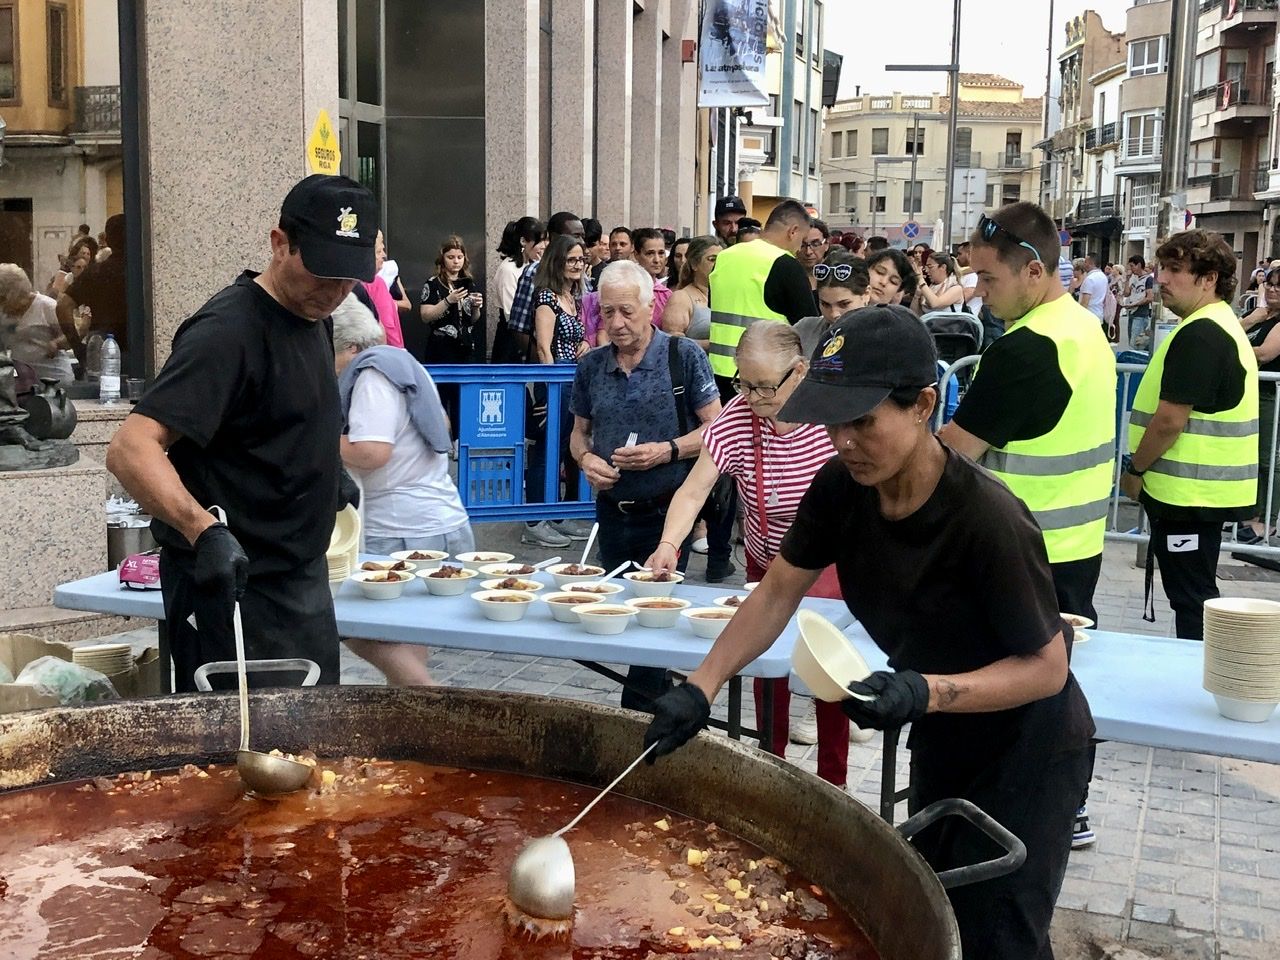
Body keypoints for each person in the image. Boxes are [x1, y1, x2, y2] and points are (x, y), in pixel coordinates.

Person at [643, 304, 1094, 960]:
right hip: (945, 733)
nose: (843, 442)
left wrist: (924, 692)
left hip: (1032, 743)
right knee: (935, 919)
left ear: (923, 405)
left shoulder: (988, 517)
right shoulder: (841, 488)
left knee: (1001, 938)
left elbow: (1047, 668)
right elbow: (776, 593)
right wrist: (700, 687)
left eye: (862, 421)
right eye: (833, 422)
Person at [104, 174, 376, 691]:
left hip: (301, 580)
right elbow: (130, 448)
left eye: (350, 278)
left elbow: (277, 415)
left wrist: (322, 470)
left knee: (315, 737)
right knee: (242, 743)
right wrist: (202, 531)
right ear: (279, 243)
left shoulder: (316, 317)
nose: (336, 291)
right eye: (323, 272)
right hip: (233, 589)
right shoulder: (227, 332)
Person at [938, 203, 1116, 850]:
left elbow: (952, 453)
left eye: (989, 279)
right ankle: (1068, 808)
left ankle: (1025, 818)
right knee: (1058, 686)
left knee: (1020, 694)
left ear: (1034, 271)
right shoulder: (1082, 328)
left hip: (1023, 552)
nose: (980, 294)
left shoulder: (1028, 347)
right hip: (1076, 544)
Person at [642, 321, 854, 784]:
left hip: (826, 562)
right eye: (744, 383)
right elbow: (694, 489)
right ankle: (769, 768)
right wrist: (668, 544)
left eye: (764, 387)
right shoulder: (738, 417)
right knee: (764, 663)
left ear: (800, 371)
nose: (753, 398)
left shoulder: (830, 415)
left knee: (826, 674)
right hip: (765, 560)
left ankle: (833, 779)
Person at [569, 259, 721, 710]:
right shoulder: (592, 366)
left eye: (626, 311)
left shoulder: (682, 355)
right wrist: (586, 460)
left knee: (651, 626)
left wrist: (667, 450)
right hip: (613, 513)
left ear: (650, 307)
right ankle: (661, 710)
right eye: (607, 312)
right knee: (620, 619)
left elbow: (716, 430)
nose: (616, 323)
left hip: (667, 512)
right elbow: (578, 434)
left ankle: (643, 720)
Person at [1122, 229, 1259, 642]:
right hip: (1198, 495)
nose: (1161, 278)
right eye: (1161, 268)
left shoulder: (1201, 333)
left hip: (1189, 497)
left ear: (1209, 278)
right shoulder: (1214, 325)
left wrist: (1135, 469)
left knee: (1192, 600)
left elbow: (1169, 420)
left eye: (1175, 269)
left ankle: (1202, 673)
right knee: (1192, 596)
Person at [333, 294, 474, 685]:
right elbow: (442, 425)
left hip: (401, 529)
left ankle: (432, 703)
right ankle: (414, 709)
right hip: (439, 519)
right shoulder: (405, 363)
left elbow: (372, 452)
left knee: (350, 622)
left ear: (351, 347)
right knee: (407, 634)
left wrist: (315, 437)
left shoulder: (371, 375)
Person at [706, 198, 814, 395]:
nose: (800, 248)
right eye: (802, 240)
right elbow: (809, 325)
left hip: (717, 373)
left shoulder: (724, 257)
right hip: (763, 379)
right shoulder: (786, 264)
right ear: (793, 231)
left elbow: (713, 306)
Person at [507, 211, 586, 357]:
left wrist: (585, 343)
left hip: (576, 367)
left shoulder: (577, 283)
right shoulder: (536, 277)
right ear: (554, 238)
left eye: (581, 260)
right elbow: (520, 328)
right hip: (551, 366)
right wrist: (543, 365)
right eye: (575, 236)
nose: (581, 241)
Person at [1239, 265, 1280, 544]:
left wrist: (1236, 348)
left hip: (1270, 396)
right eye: (1271, 284)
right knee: (1252, 457)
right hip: (1251, 394)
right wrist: (1250, 320)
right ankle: (1251, 514)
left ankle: (1267, 520)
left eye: (1279, 286)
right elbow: (1226, 333)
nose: (1273, 289)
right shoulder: (1261, 316)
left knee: (1268, 459)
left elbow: (1265, 354)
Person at [57, 213, 127, 363]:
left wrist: (77, 346)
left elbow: (63, 306)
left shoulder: (96, 272)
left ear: (107, 240)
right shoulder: (144, 273)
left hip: (101, 349)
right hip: (139, 350)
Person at [0, 263, 73, 384]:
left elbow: (71, 337)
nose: (2, 305)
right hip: (22, 382)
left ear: (13, 294)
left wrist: (56, 343)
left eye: (3, 299)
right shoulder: (4, 311)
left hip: (54, 379)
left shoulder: (47, 306)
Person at [794, 255, 870, 359]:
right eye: (825, 304)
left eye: (844, 304)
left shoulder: (885, 336)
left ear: (866, 294)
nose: (834, 314)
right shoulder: (804, 330)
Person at [660, 235, 720, 343]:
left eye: (722, 260)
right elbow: (673, 343)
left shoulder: (728, 296)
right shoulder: (681, 298)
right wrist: (713, 344)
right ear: (694, 264)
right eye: (712, 259)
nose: (718, 264)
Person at [363, 230, 405, 349]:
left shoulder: (347, 283)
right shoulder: (375, 283)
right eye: (379, 251)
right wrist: (398, 353)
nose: (384, 255)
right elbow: (388, 327)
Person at [913, 251, 965, 315]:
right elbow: (915, 314)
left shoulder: (956, 288)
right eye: (926, 267)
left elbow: (935, 304)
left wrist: (920, 279)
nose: (926, 270)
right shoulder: (930, 287)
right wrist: (917, 296)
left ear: (943, 267)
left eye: (930, 267)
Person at [797, 219, 831, 312]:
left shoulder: (837, 276)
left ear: (826, 244)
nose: (808, 252)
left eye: (815, 244)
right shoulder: (787, 276)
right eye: (802, 245)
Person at [1124, 255, 1155, 349]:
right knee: (1131, 341)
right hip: (1132, 312)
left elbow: (1149, 297)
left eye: (1132, 266)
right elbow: (1126, 293)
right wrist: (1127, 279)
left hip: (1141, 314)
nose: (1131, 269)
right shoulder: (1134, 278)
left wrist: (1135, 304)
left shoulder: (1148, 279)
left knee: (1136, 343)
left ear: (1139, 265)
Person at [1078, 253, 1108, 328]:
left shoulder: (1090, 279)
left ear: (1091, 263)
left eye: (1085, 262)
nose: (1084, 264)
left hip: (1088, 317)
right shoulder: (1103, 276)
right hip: (1099, 313)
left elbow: (1085, 302)